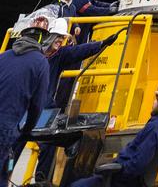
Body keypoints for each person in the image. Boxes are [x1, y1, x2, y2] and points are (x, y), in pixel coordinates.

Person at [31, 20, 124, 182]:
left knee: (47, 143)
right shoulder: (34, 56)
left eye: (62, 38)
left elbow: (79, 51)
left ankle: (41, 178)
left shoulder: (59, 55)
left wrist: (101, 44)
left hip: (44, 107)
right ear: (49, 37)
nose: (61, 41)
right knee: (16, 144)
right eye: (58, 37)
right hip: (26, 105)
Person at [69, 77, 158, 187]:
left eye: (155, 99)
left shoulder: (155, 128)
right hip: (124, 175)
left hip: (120, 179)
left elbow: (137, 164)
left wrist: (114, 171)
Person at [0, 15, 54, 187]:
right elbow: (37, 104)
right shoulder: (40, 63)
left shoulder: (3, 56)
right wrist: (28, 130)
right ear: (42, 40)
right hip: (6, 128)